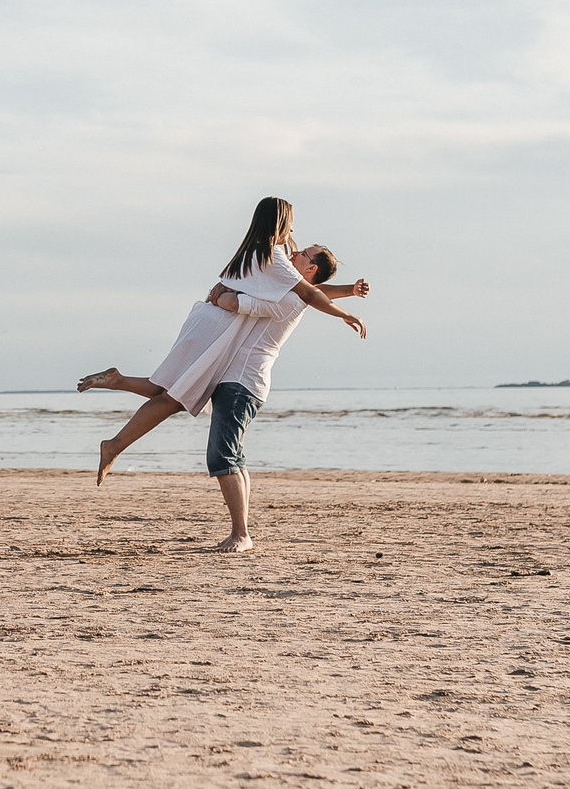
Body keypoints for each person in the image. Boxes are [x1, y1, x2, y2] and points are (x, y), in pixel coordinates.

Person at [80, 197, 370, 550]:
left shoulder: (261, 254)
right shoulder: (279, 263)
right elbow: (306, 291)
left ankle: (117, 398)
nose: (295, 239)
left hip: (213, 331)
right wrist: (343, 309)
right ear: (278, 225)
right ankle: (238, 530)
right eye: (290, 227)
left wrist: (346, 295)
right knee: (181, 405)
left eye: (303, 251)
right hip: (223, 341)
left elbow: (305, 290)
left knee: (170, 395)